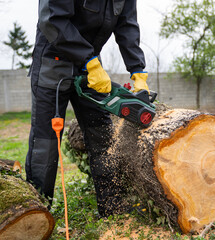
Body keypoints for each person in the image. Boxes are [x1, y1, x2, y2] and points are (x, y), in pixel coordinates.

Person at [25, 0, 149, 217]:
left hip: (90, 66)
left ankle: (112, 207)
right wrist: (89, 60)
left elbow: (127, 25)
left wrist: (137, 69)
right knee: (45, 142)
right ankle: (36, 212)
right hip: (53, 62)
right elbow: (52, 19)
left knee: (102, 134)